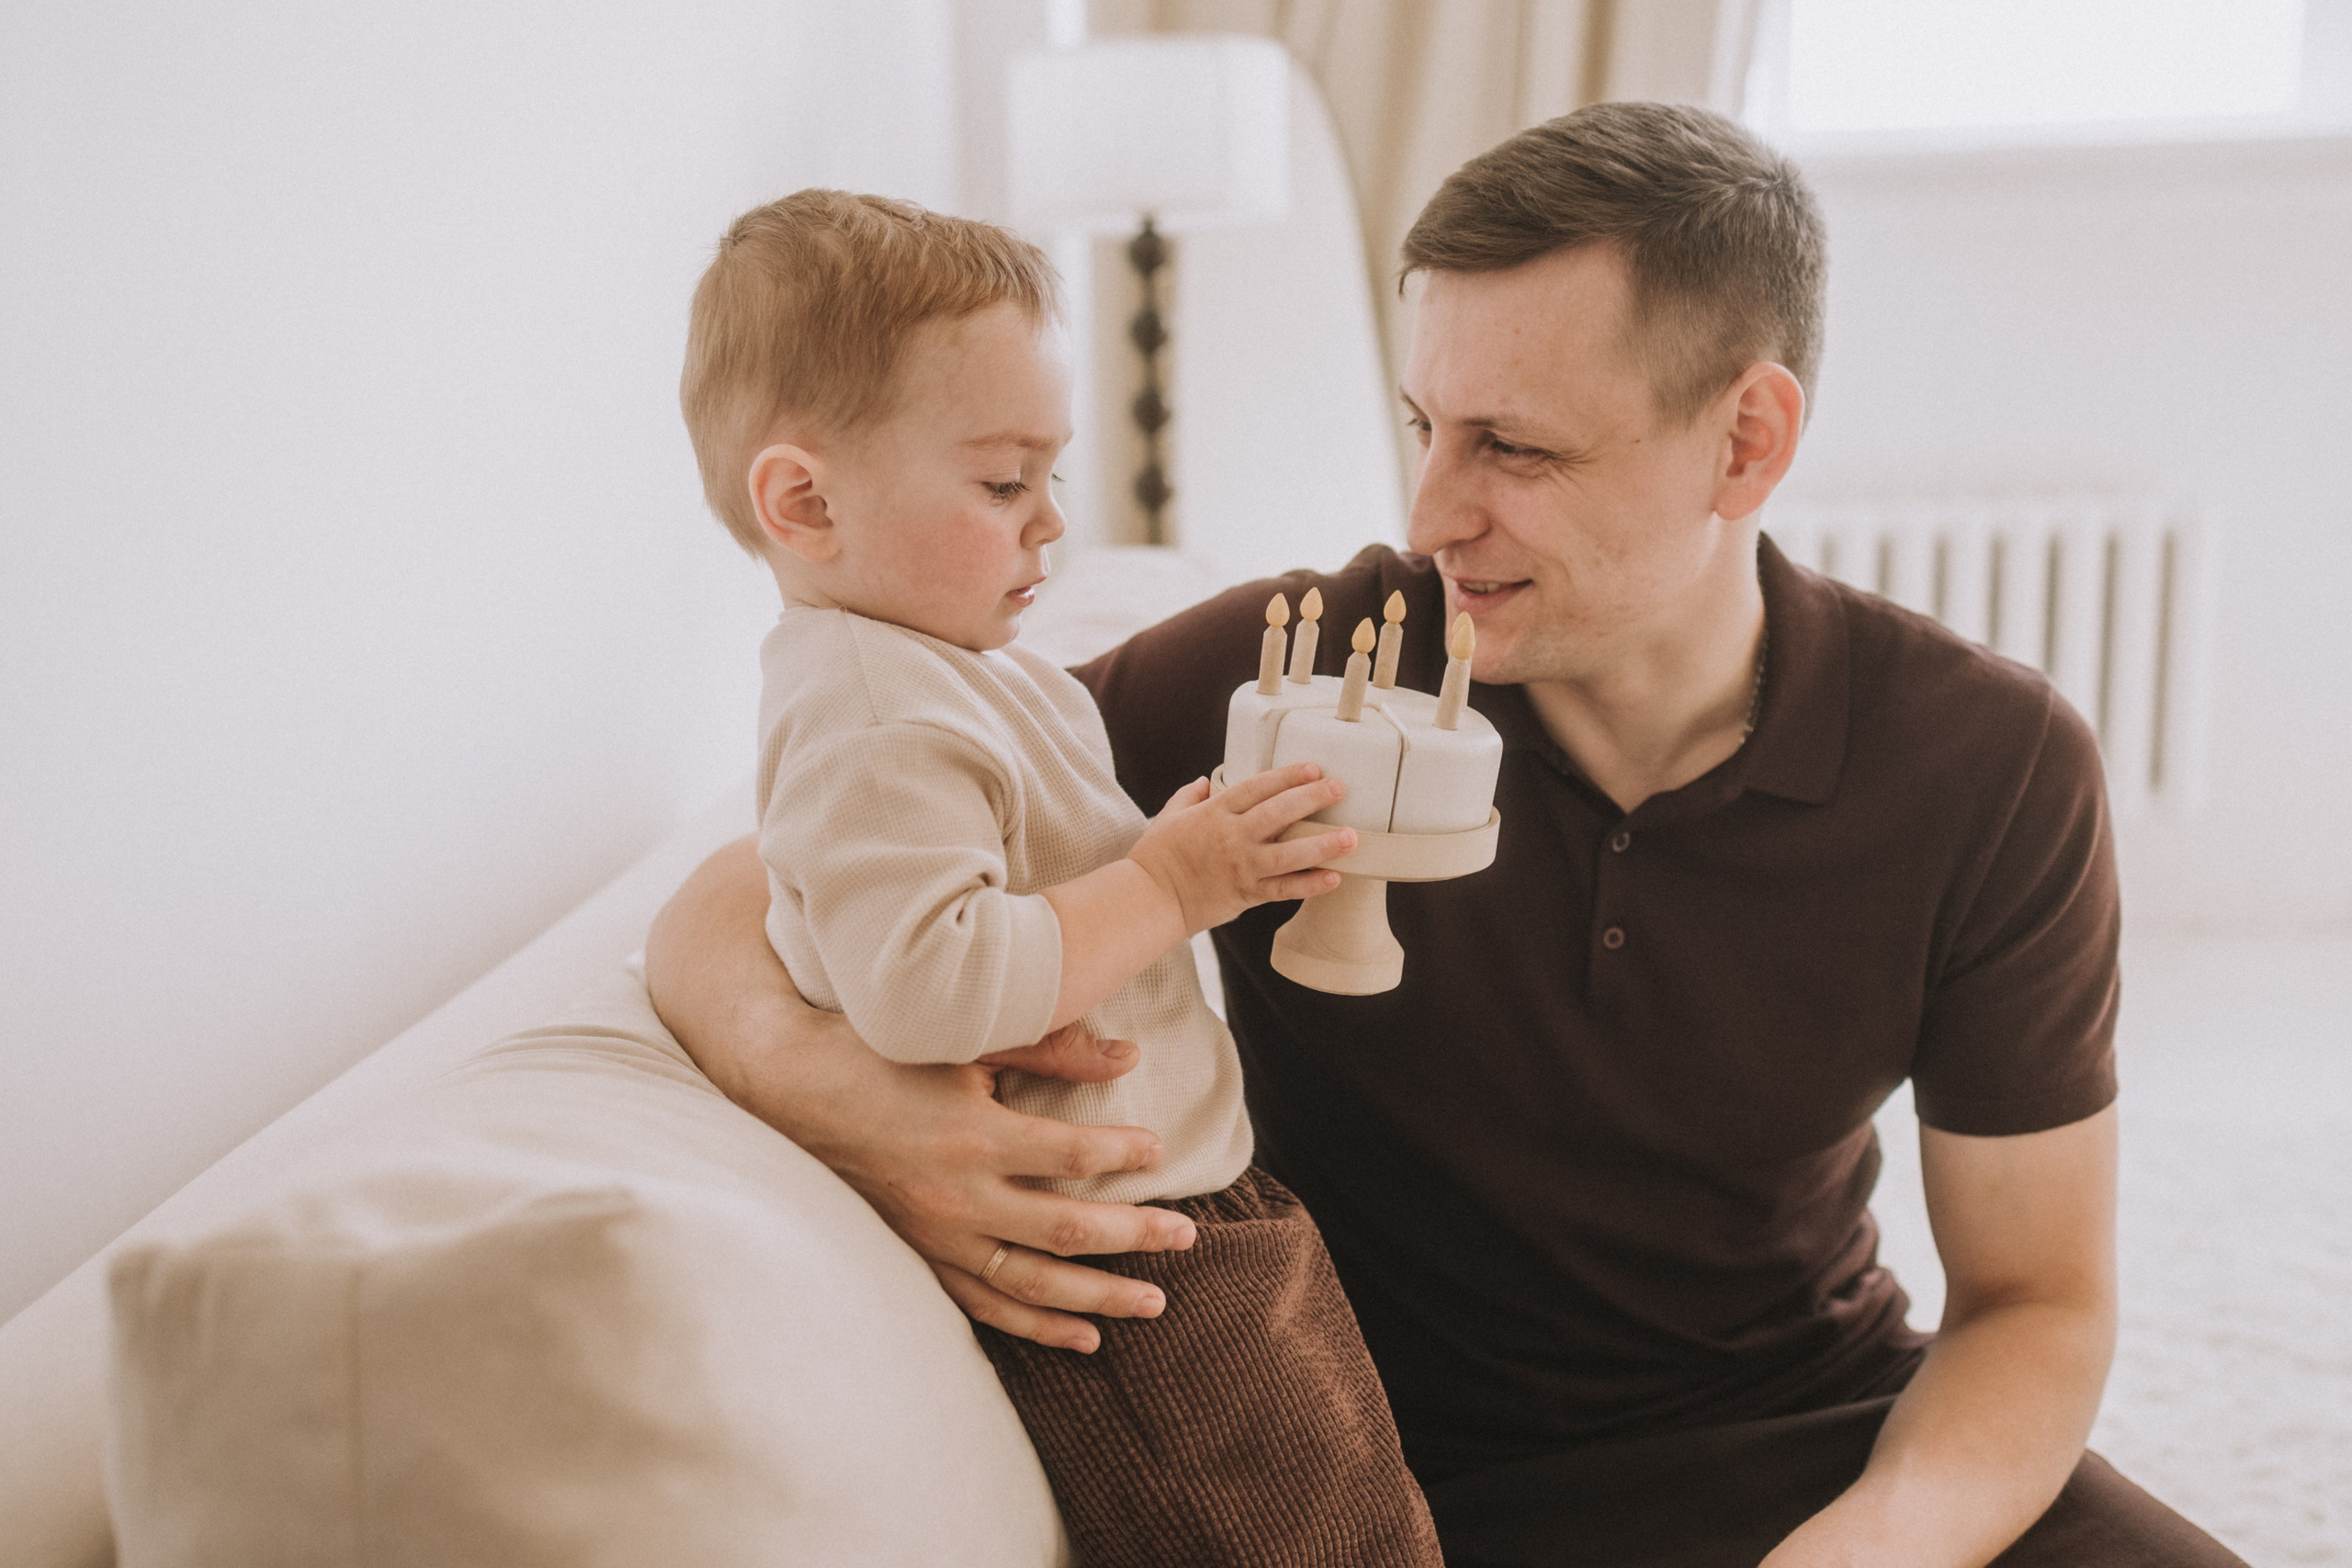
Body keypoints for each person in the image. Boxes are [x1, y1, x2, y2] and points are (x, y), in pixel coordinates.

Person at [650, 110, 2246, 1567]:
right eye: (1426, 422)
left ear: (1747, 442)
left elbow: (2036, 1301)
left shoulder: (1987, 764)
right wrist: (840, 1094)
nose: (1430, 514)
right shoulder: (1292, 675)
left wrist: (1874, 1547)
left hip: (1822, 1444)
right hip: (1381, 1486)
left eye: (1518, 448)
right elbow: (762, 874)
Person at [674, 189, 1443, 1567]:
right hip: (1117, 1265)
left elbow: (1060, 872)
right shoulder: (875, 713)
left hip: (1187, 1208)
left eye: (1053, 474)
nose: (1050, 525)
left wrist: (1188, 850)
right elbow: (929, 985)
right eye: (999, 481)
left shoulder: (960, 675)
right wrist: (1170, 886)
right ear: (804, 500)